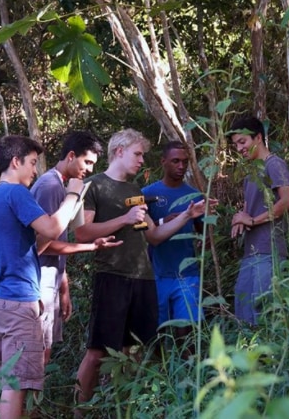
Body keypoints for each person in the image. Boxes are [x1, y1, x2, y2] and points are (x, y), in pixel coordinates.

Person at [0, 135, 116, 419]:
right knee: (14, 383)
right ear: (15, 162)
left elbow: (35, 244)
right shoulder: (16, 193)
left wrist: (89, 247)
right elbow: (53, 229)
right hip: (20, 302)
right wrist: (73, 194)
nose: (34, 170)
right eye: (31, 163)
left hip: (0, 301)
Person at [73, 129, 211, 406]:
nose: (141, 161)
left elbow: (153, 236)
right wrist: (124, 219)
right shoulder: (94, 185)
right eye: (137, 154)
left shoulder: (135, 190)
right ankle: (79, 411)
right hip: (112, 276)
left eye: (143, 155)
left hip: (143, 278)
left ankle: (123, 406)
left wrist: (187, 214)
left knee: (133, 349)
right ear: (119, 151)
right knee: (98, 352)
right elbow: (82, 233)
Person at [30, 131, 105, 365]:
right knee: (37, 353)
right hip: (38, 280)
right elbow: (42, 244)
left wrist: (64, 286)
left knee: (45, 349)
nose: (90, 169)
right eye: (87, 162)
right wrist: (89, 247)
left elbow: (57, 238)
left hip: (51, 278)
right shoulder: (51, 186)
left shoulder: (63, 186)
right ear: (71, 156)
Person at [229, 117, 289, 325]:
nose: (239, 148)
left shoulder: (274, 164)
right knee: (244, 313)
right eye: (235, 145)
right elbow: (251, 209)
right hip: (252, 252)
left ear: (258, 138)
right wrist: (240, 218)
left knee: (264, 315)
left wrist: (251, 220)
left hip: (270, 251)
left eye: (243, 142)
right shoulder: (251, 173)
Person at [142, 141, 208, 342]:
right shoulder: (147, 194)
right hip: (157, 274)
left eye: (185, 162)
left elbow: (203, 233)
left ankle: (188, 370)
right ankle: (161, 370)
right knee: (157, 333)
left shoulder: (194, 195)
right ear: (163, 162)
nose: (181, 166)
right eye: (175, 161)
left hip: (187, 274)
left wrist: (207, 217)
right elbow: (143, 233)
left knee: (186, 332)